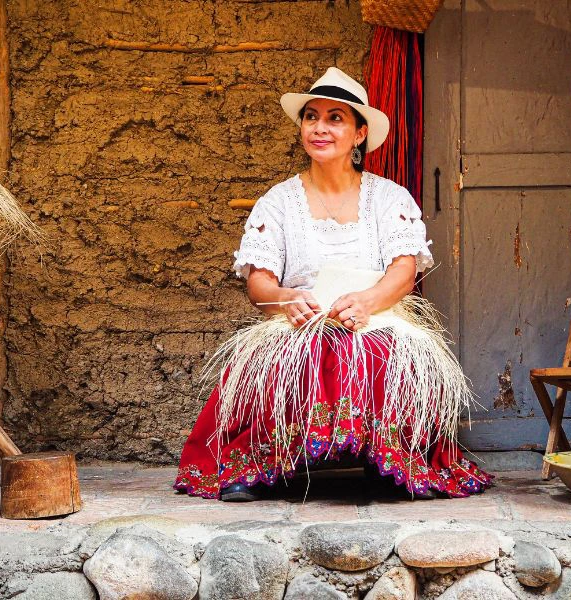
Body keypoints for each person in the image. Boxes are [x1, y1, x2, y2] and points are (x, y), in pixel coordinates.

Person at [174, 67, 492, 501]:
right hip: (300, 320)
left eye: (335, 118)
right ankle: (266, 466)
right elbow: (260, 282)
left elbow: (404, 269)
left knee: (382, 351)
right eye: (311, 117)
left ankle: (389, 461)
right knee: (284, 355)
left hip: (372, 317)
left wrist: (368, 302)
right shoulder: (279, 201)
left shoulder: (388, 197)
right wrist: (286, 300)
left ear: (360, 134)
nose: (319, 127)